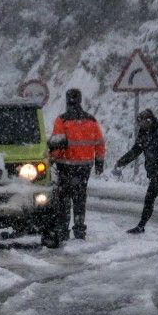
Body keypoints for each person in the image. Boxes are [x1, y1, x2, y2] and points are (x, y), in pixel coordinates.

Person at [49, 88, 106, 241]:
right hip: (85, 166)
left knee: (64, 198)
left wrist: (52, 159)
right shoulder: (91, 120)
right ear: (80, 100)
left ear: (67, 101)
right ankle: (79, 228)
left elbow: (57, 144)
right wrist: (99, 161)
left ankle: (63, 229)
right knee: (80, 197)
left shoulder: (62, 120)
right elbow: (100, 143)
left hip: (65, 166)